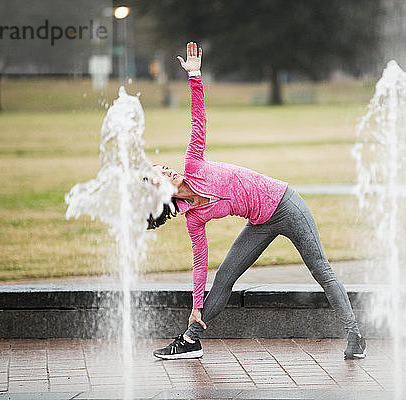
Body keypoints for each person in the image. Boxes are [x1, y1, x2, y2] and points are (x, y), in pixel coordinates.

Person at [151, 42, 366, 360]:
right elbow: (200, 262)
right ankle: (191, 338)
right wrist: (196, 305)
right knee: (224, 276)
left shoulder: (193, 163)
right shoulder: (193, 217)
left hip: (286, 204)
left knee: (320, 268)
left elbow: (198, 120)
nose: (167, 169)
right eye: (160, 175)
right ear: (161, 193)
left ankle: (355, 337)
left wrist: (195, 77)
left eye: (163, 167)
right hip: (260, 222)